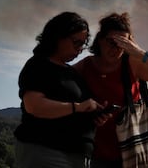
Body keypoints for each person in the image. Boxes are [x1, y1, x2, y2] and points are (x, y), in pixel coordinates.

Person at [74, 12, 148, 168]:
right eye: (112, 41)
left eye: (122, 43)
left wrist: (139, 53)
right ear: (100, 40)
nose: (116, 48)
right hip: (95, 151)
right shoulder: (85, 66)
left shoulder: (132, 64)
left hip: (133, 151)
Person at [14, 12, 106, 168]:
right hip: (46, 150)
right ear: (57, 36)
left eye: (83, 44)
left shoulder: (72, 72)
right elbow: (34, 106)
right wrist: (77, 107)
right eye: (76, 42)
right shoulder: (38, 65)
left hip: (78, 155)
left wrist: (94, 115)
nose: (80, 49)